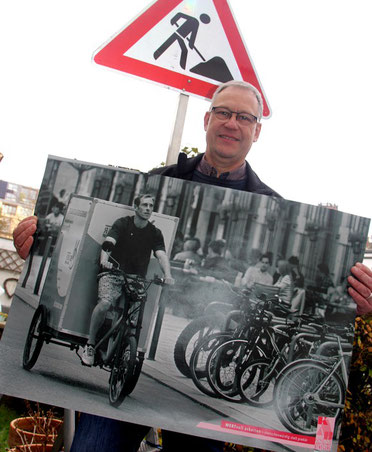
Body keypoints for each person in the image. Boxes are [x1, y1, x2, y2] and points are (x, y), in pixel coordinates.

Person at [12, 80, 372, 451]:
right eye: (223, 112)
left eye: (244, 117)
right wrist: (38, 241)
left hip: (203, 420)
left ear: (257, 130)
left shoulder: (274, 204)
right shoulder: (158, 182)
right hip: (119, 301)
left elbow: (163, 254)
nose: (232, 122)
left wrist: (356, 300)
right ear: (207, 118)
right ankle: (94, 347)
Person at [82, 193, 174, 366]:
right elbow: (109, 243)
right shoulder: (123, 223)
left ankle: (124, 345)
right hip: (114, 273)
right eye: (145, 205)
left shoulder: (154, 233)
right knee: (105, 304)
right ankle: (90, 344)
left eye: (151, 206)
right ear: (136, 207)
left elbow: (161, 256)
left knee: (134, 315)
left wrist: (167, 275)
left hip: (135, 278)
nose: (148, 209)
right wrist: (104, 261)